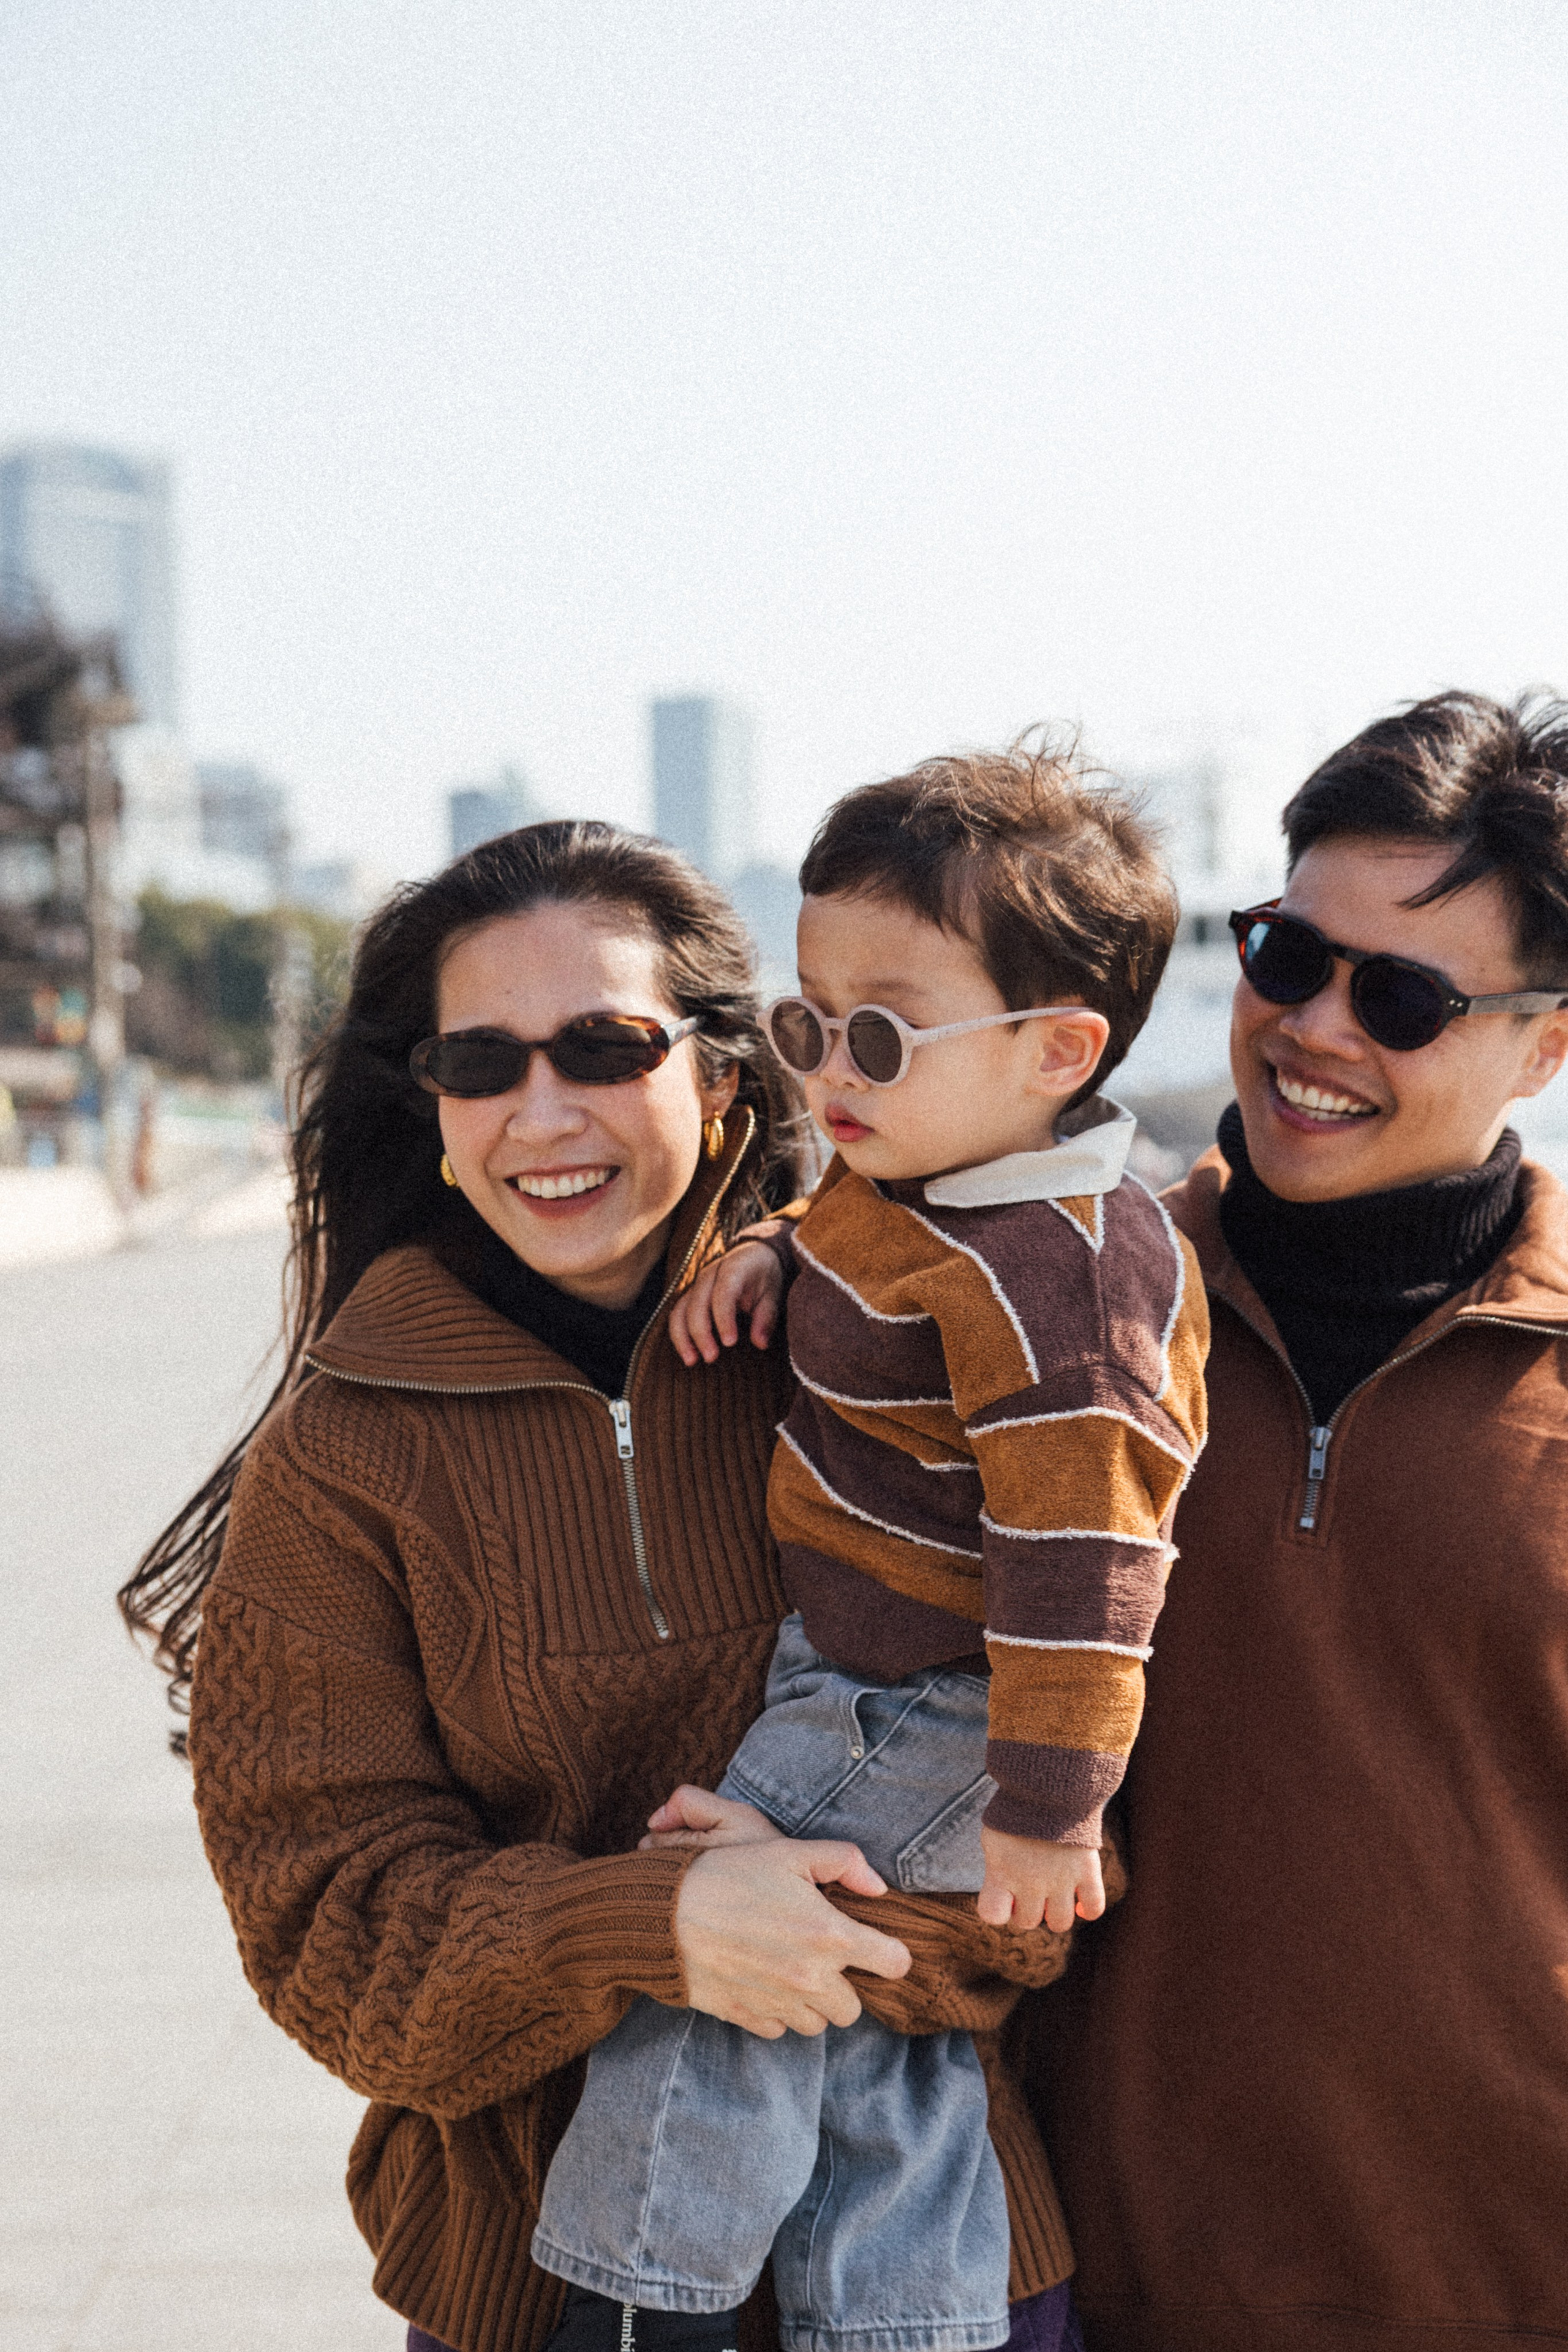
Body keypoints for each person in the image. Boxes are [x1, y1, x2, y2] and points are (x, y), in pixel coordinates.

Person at [118, 820, 1077, 2352]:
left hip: (944, 2266)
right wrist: (661, 1924)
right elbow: (328, 1933)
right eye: (479, 1065)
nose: (539, 1111)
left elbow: (1063, 1812)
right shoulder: (342, 1455)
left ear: (718, 1072)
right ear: (429, 1108)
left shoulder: (909, 1350)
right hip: (539, 2285)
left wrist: (850, 1927)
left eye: (603, 1046)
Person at [531, 750, 1207, 2352]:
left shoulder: (1059, 1288)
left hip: (931, 1701)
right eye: (805, 1018)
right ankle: (908, 2324)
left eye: (884, 1032)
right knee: (876, 2040)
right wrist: (771, 1252)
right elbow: (853, 1228)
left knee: (723, 1938)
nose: (830, 1068)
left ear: (1058, 1051)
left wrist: (1049, 1814)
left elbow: (1086, 1570)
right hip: (879, 1672)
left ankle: (645, 2296)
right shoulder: (924, 1164)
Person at [1032, 691, 1568, 2348]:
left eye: (1401, 994)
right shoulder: (1052, 1312)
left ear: (1547, 1043)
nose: (1318, 1029)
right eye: (1286, 958)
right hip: (1080, 2287)